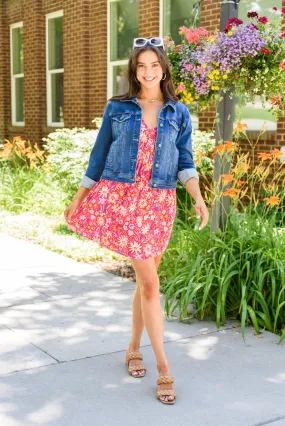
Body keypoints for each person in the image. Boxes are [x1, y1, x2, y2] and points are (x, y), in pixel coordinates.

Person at [64, 36, 209, 405]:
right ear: (134, 70)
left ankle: (132, 348)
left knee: (146, 284)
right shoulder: (119, 108)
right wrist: (79, 197)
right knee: (149, 285)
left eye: (154, 65)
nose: (148, 72)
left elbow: (185, 161)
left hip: (160, 204)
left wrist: (197, 197)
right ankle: (164, 367)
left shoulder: (179, 112)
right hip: (125, 202)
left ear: (163, 69)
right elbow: (98, 155)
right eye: (141, 65)